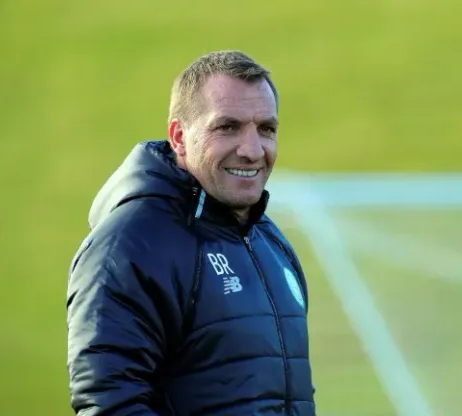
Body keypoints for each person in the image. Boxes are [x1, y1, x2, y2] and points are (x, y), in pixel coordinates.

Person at [66, 50, 316, 415]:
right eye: (228, 127)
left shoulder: (271, 243)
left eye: (266, 129)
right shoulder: (131, 243)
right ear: (179, 137)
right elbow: (111, 403)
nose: (252, 150)